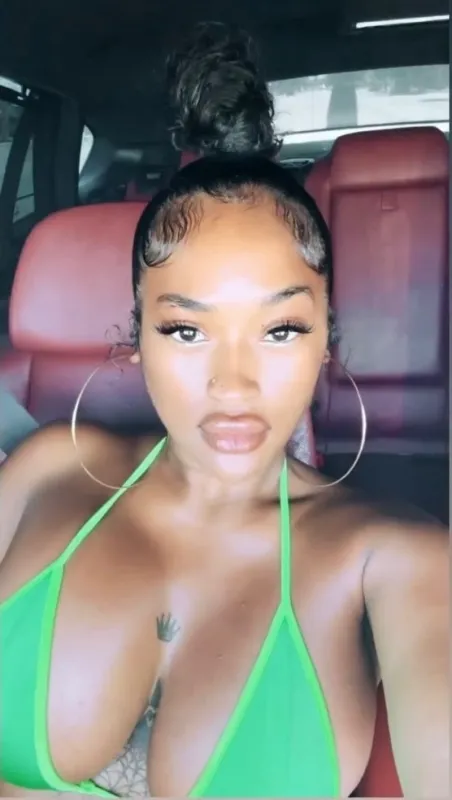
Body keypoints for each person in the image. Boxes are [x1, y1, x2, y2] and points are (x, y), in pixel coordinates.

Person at [0, 22, 448, 800]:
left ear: (326, 340)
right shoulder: (46, 470)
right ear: (135, 338)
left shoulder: (400, 560)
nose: (233, 385)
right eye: (185, 329)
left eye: (280, 330)